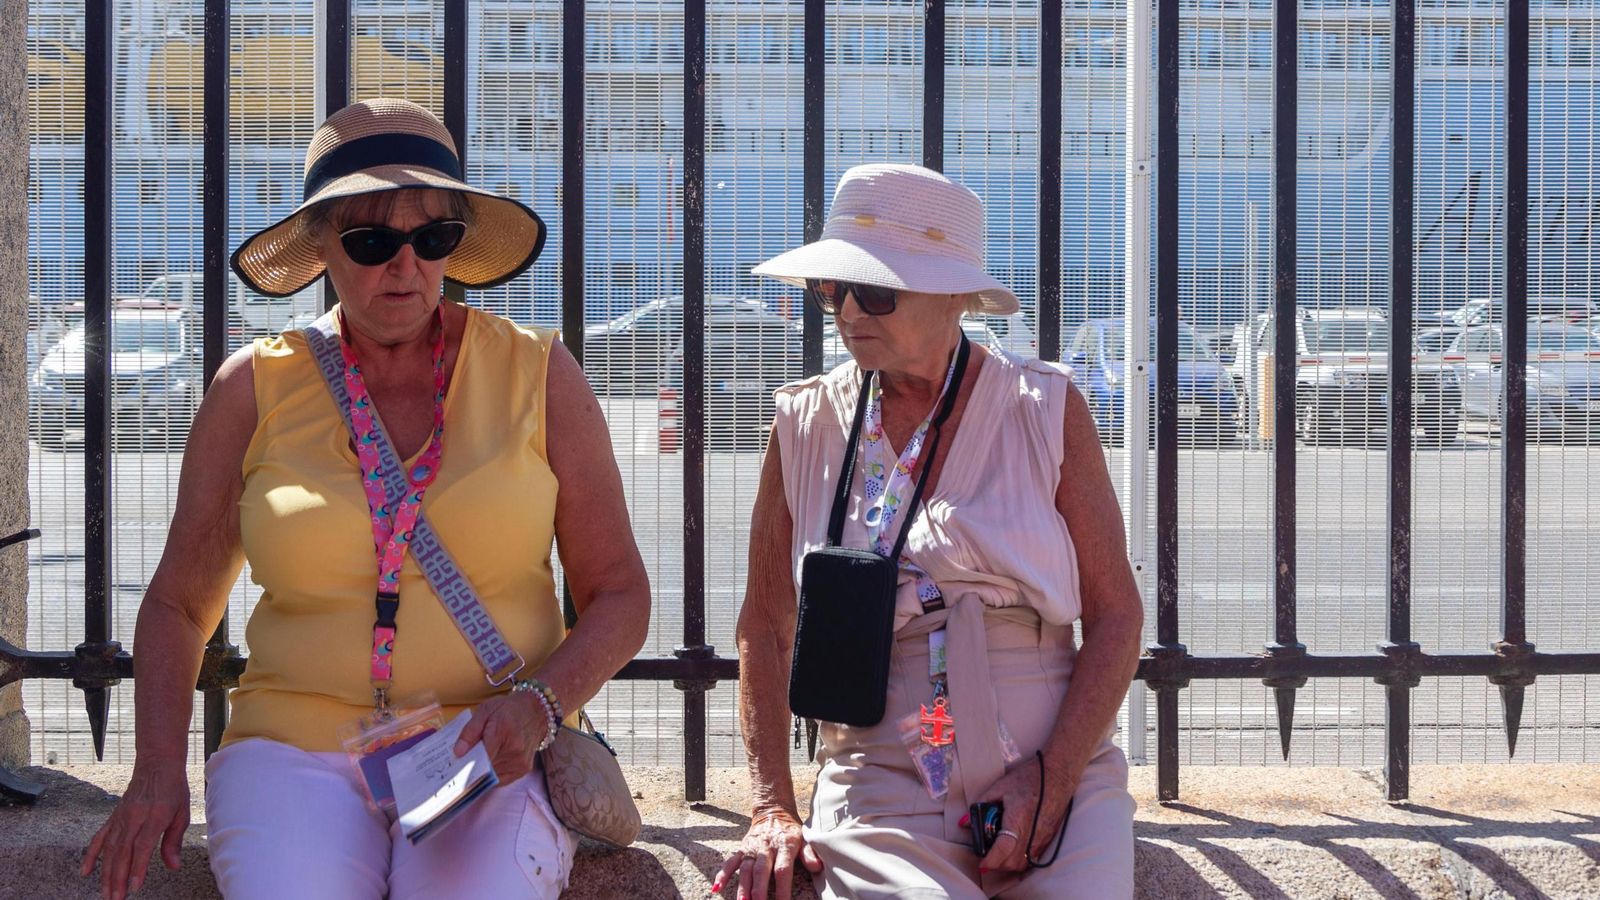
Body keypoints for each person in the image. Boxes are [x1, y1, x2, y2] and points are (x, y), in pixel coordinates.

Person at [82, 98, 651, 899]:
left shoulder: (537, 374)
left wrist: (537, 707)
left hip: (485, 749)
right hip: (290, 750)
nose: (406, 265)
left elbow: (620, 595)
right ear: (322, 247)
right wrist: (154, 775)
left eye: (433, 238)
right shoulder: (253, 388)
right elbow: (178, 604)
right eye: (373, 239)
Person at [717, 163, 1144, 899]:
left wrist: (1053, 775)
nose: (850, 311)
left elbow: (1116, 616)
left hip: (1054, 768)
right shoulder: (805, 423)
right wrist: (771, 808)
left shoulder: (1043, 409)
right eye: (832, 290)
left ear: (954, 296)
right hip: (884, 780)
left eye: (875, 291)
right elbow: (764, 623)